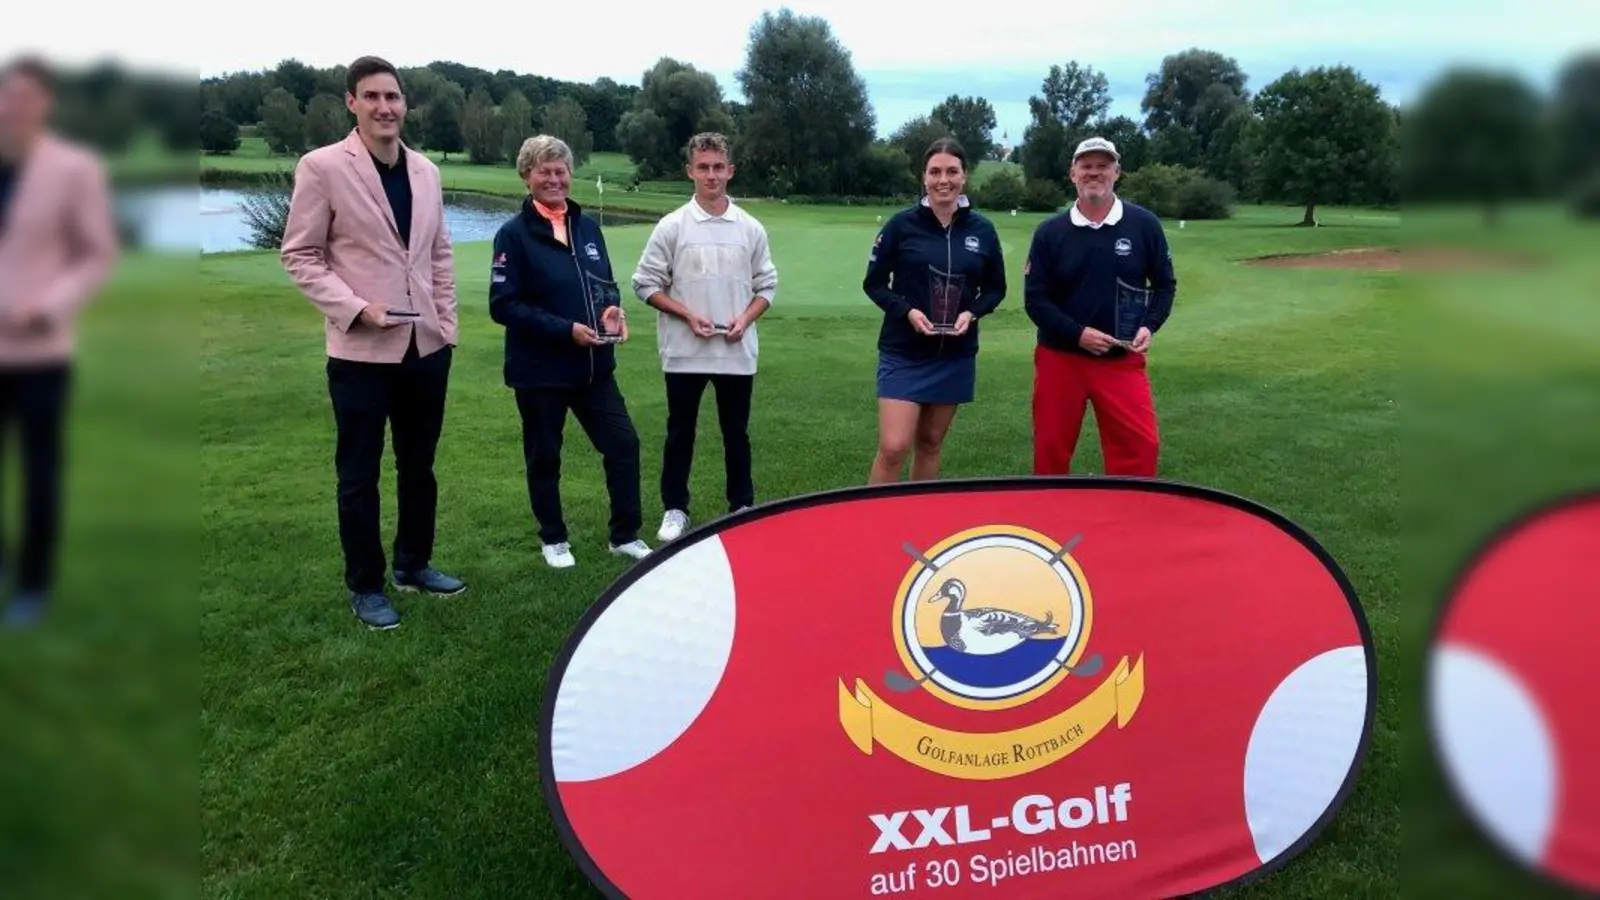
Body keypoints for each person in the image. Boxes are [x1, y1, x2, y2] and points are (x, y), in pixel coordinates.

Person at [281, 55, 465, 631]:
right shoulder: (323, 167)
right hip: (360, 353)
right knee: (359, 474)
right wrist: (357, 309)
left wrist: (447, 324)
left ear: (405, 104)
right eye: (373, 96)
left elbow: (438, 254)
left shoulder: (426, 172)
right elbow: (300, 255)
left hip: (426, 348)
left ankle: (414, 564)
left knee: (420, 466)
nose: (385, 107)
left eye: (394, 96)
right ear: (352, 103)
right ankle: (366, 585)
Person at [488, 135, 651, 569]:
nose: (554, 179)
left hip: (594, 366)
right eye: (545, 171)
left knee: (623, 445)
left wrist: (612, 312)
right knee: (545, 456)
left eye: (561, 171)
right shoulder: (512, 235)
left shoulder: (587, 226)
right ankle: (554, 538)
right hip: (540, 371)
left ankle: (624, 534)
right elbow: (503, 305)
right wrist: (566, 330)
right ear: (527, 176)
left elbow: (603, 287)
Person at [0, 55, 120, 628]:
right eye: (7, 94)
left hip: (39, 352)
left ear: (44, 103)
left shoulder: (73, 170)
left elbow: (95, 254)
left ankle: (34, 584)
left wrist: (47, 306)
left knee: (39, 474)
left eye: (26, 95)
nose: (14, 105)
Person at [630, 132, 778, 542]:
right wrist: (686, 315)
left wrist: (746, 319)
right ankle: (675, 508)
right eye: (703, 167)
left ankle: (742, 506)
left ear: (730, 171)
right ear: (690, 171)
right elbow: (645, 284)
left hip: (735, 350)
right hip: (684, 351)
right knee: (681, 431)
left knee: (737, 433)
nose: (711, 175)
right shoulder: (672, 226)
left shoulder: (750, 228)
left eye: (718, 167)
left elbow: (766, 286)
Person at [1022, 136, 1177, 478]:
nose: (1095, 173)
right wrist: (1078, 334)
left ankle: (1127, 521)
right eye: (1086, 166)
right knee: (1051, 449)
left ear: (1117, 172)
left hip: (1121, 361)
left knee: (1140, 448)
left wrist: (1149, 325)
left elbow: (1165, 286)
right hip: (1060, 360)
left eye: (1103, 166)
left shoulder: (1144, 224)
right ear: (1072, 174)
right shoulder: (1050, 232)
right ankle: (1050, 519)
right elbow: (1036, 300)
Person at [862, 137, 1007, 484]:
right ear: (923, 177)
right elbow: (875, 283)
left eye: (952, 171)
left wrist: (971, 313)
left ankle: (917, 522)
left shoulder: (982, 230)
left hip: (954, 354)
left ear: (964, 176)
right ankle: (871, 523)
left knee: (930, 443)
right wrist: (907, 311)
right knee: (894, 446)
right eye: (935, 172)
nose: (944, 180)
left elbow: (996, 288)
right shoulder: (901, 225)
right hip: (904, 351)